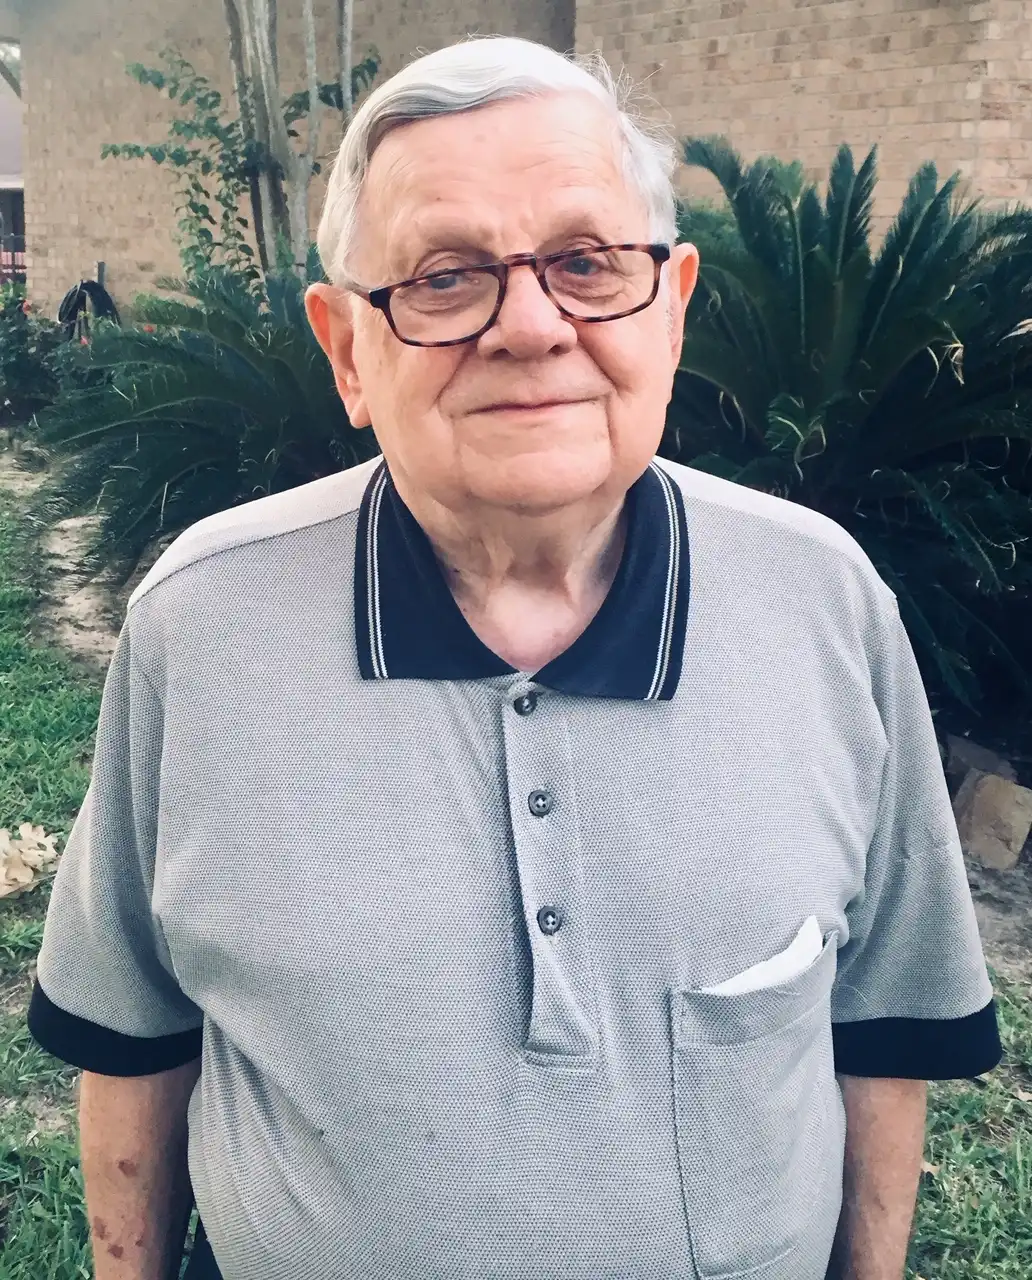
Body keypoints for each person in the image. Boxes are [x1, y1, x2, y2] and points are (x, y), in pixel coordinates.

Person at [27, 34, 1001, 1280]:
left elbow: (885, 1030)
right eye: (445, 277)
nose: (532, 327)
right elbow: (132, 1037)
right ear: (348, 350)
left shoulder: (828, 602)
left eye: (588, 263)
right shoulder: (201, 622)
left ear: (673, 307)